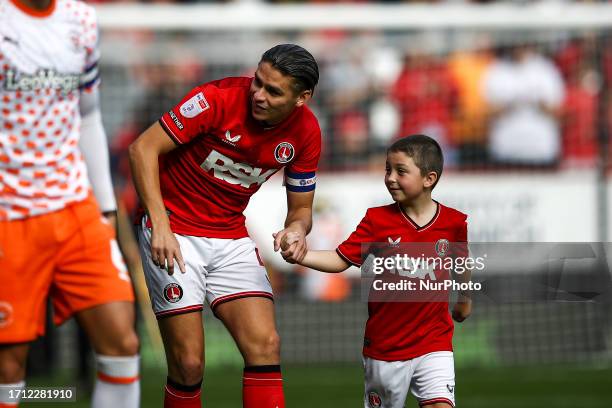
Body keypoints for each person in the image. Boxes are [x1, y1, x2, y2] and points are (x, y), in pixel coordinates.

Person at [128, 44, 320, 408]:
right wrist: (160, 223)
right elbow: (142, 149)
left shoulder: (307, 132)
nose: (259, 95)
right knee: (188, 364)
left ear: (302, 98)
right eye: (257, 82)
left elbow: (301, 210)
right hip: (175, 231)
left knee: (266, 345)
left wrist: (296, 230)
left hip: (231, 235)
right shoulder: (215, 100)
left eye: (273, 91)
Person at [0, 1, 140, 407]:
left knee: (122, 341)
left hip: (76, 208)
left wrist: (106, 205)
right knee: (8, 366)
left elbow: (88, 114)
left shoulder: (82, 20)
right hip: (10, 217)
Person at [281, 135, 471, 408]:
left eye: (401, 171)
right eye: (387, 169)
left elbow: (460, 262)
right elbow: (340, 259)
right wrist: (302, 255)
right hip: (386, 348)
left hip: (435, 342)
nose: (391, 177)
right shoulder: (377, 221)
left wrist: (465, 299)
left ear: (429, 179)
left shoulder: (453, 222)